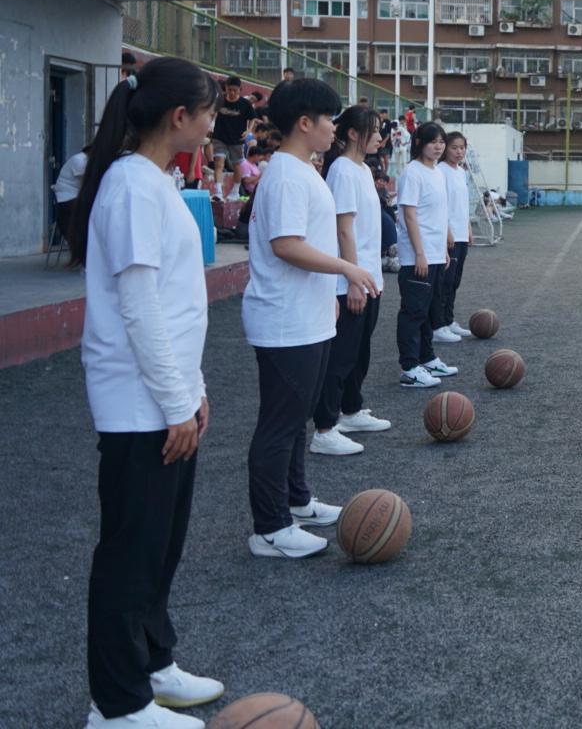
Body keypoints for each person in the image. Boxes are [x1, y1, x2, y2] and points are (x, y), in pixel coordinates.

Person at [69, 57, 224, 728]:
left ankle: (154, 665)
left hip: (164, 397)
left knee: (160, 547)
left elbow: (175, 300)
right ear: (179, 116)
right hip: (139, 405)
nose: (214, 124)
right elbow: (139, 307)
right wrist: (173, 401)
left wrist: (194, 389)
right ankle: (117, 705)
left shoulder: (154, 181)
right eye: (209, 113)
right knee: (130, 554)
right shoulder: (132, 185)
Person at [241, 79, 379, 560]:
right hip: (285, 321)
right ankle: (270, 528)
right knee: (280, 425)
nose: (334, 129)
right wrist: (347, 270)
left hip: (308, 315)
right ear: (305, 123)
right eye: (329, 120)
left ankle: (296, 501)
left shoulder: (303, 170)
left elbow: (308, 239)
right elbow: (287, 245)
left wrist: (329, 296)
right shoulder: (285, 174)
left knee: (296, 420)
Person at [309, 106, 393, 457]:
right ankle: (325, 428)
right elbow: (344, 230)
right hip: (352, 280)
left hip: (368, 275)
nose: (380, 137)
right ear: (354, 134)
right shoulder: (342, 170)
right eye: (374, 130)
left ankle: (351, 410)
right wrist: (353, 279)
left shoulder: (361, 169)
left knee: (359, 352)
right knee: (341, 356)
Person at [395, 122, 457, 388]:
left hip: (434, 253)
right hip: (417, 257)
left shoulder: (437, 171)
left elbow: (438, 214)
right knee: (414, 312)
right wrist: (420, 253)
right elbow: (409, 215)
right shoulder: (412, 172)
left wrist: (441, 249)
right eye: (433, 141)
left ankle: (427, 358)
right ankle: (409, 368)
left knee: (429, 310)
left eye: (441, 141)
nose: (438, 146)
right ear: (419, 143)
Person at [431, 132, 474, 344]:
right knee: (444, 282)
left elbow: (462, 205)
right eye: (454, 147)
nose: (459, 152)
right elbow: (442, 205)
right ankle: (437, 325)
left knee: (454, 281)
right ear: (446, 149)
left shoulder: (461, 172)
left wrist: (468, 228)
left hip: (461, 234)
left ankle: (448, 320)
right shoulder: (441, 171)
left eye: (462, 148)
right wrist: (447, 231)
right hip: (448, 234)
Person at [209, 76, 256, 182]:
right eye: (229, 89)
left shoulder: (245, 104)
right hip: (219, 136)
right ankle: (218, 190)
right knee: (219, 163)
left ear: (240, 89)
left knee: (236, 165)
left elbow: (252, 118)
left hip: (237, 138)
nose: (232, 92)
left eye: (235, 90)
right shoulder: (219, 100)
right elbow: (212, 113)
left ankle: (236, 188)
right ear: (225, 88)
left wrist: (248, 131)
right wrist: (211, 125)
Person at [53, 144, 90, 236]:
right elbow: (85, 184)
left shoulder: (84, 160)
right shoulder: (79, 160)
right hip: (67, 198)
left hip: (72, 197)